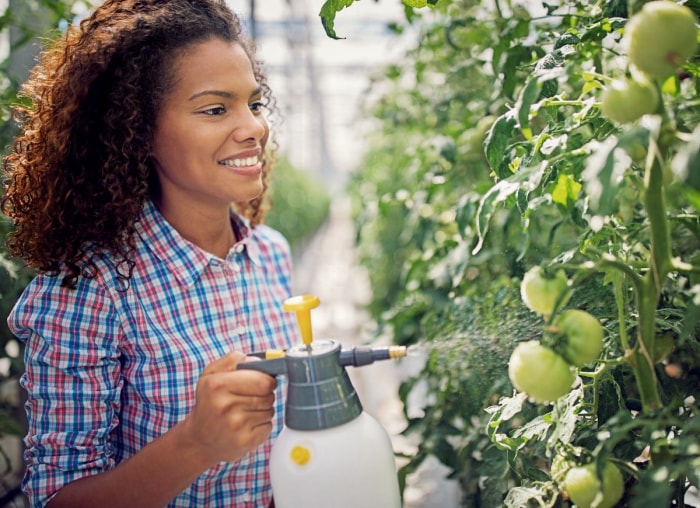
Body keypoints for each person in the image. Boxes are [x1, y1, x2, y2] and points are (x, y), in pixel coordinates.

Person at [1, 0, 300, 506]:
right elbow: (55, 498)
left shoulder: (269, 253)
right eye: (214, 108)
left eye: (254, 102)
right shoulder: (87, 294)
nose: (253, 127)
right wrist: (196, 443)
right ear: (139, 131)